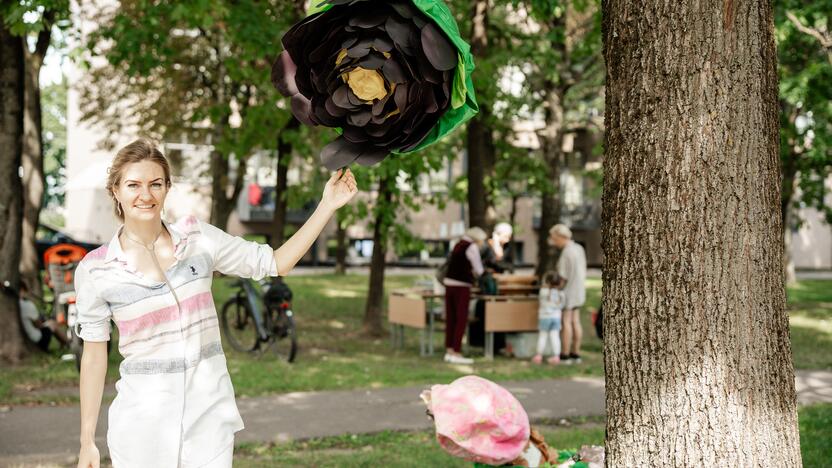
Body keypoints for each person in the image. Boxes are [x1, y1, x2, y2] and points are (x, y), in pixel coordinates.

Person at [74, 138, 357, 468]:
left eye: (155, 184)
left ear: (167, 188)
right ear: (116, 191)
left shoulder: (199, 239)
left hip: (208, 417)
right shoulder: (96, 269)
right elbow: (94, 358)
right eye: (133, 185)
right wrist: (86, 440)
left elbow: (276, 262)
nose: (146, 195)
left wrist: (327, 205)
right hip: (142, 426)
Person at [442, 227, 486, 365]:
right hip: (462, 285)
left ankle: (449, 349)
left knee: (451, 318)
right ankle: (456, 351)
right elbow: (479, 269)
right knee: (461, 319)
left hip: (449, 284)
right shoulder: (471, 246)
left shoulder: (458, 244)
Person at [548, 224, 586, 364]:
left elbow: (563, 277)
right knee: (576, 321)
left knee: (566, 322)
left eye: (554, 238)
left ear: (560, 237)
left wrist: (554, 290)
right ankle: (576, 353)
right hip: (579, 289)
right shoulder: (579, 248)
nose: (553, 241)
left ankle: (564, 354)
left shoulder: (566, 252)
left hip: (569, 291)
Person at [19, 283, 69, 352]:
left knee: (49, 323)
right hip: (37, 340)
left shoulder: (14, 306)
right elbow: (38, 325)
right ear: (22, 290)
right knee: (52, 324)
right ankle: (67, 343)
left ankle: (65, 344)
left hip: (25, 339)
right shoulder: (26, 305)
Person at [532, 272, 566, 365]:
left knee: (543, 336)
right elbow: (562, 305)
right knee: (555, 336)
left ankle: (538, 356)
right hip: (556, 318)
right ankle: (556, 356)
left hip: (545, 317)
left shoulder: (543, 291)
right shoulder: (561, 293)